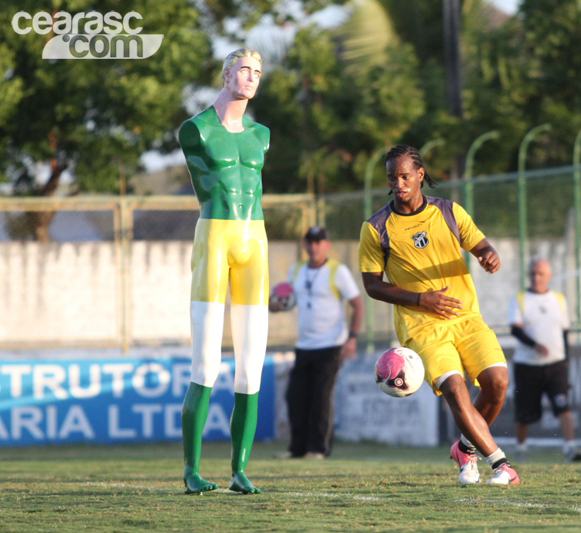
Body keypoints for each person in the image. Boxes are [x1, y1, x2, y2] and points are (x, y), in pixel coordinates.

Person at [358, 144, 519, 485]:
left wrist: (489, 256)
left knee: (498, 384)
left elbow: (481, 245)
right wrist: (421, 299)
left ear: (420, 175)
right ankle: (501, 465)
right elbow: (372, 286)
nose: (398, 183)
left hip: (466, 318)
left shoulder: (449, 212)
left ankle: (465, 448)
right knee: (456, 390)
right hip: (423, 328)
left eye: (404, 176)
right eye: (391, 177)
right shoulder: (376, 228)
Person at [178, 48, 271, 494]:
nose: (250, 78)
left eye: (256, 72)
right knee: (206, 365)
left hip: (256, 242)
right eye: (243, 70)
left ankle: (239, 470)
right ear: (226, 73)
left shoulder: (262, 134)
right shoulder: (194, 130)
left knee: (251, 367)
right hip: (214, 237)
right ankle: (192, 470)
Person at [270, 226, 364, 459]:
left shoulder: (337, 271)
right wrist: (275, 305)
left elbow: (358, 305)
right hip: (304, 345)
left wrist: (352, 338)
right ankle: (297, 449)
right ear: (305, 245)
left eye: (318, 242)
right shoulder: (297, 270)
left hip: (331, 344)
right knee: (295, 396)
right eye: (310, 242)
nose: (314, 247)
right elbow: (285, 301)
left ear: (326, 245)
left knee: (321, 397)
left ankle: (318, 449)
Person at [508, 257, 581, 463]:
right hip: (527, 366)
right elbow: (515, 329)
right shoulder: (520, 298)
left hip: (556, 365)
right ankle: (521, 448)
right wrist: (534, 345)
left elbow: (565, 332)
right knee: (524, 412)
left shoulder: (558, 299)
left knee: (563, 406)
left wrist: (566, 360)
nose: (536, 278)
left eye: (540, 273)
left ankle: (570, 447)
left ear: (548, 276)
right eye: (533, 273)